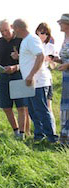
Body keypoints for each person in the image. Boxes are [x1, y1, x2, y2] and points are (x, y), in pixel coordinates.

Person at [12, 18, 58, 143]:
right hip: (30, 82)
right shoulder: (26, 40)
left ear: (18, 28)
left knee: (41, 110)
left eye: (13, 28)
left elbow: (41, 56)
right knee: (33, 110)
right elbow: (30, 59)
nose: (13, 31)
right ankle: (39, 135)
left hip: (38, 82)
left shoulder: (31, 39)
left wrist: (31, 75)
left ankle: (52, 138)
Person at [0, 19, 27, 139]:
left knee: (21, 106)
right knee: (6, 106)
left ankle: (22, 133)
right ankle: (15, 131)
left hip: (19, 75)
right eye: (1, 31)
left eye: (6, 30)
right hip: (3, 76)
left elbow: (29, 61)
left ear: (12, 27)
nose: (4, 33)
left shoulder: (21, 40)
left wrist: (15, 67)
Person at [35, 23, 57, 131]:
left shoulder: (51, 47)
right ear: (37, 32)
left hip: (46, 78)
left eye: (47, 34)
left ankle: (51, 131)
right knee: (36, 108)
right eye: (42, 33)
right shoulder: (33, 45)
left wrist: (51, 60)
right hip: (34, 78)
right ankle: (40, 131)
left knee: (48, 106)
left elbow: (53, 66)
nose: (44, 36)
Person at [53, 14, 69, 144]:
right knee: (65, 106)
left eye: (61, 23)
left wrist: (67, 64)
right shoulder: (65, 39)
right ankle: (65, 136)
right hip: (66, 76)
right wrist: (58, 60)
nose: (59, 25)